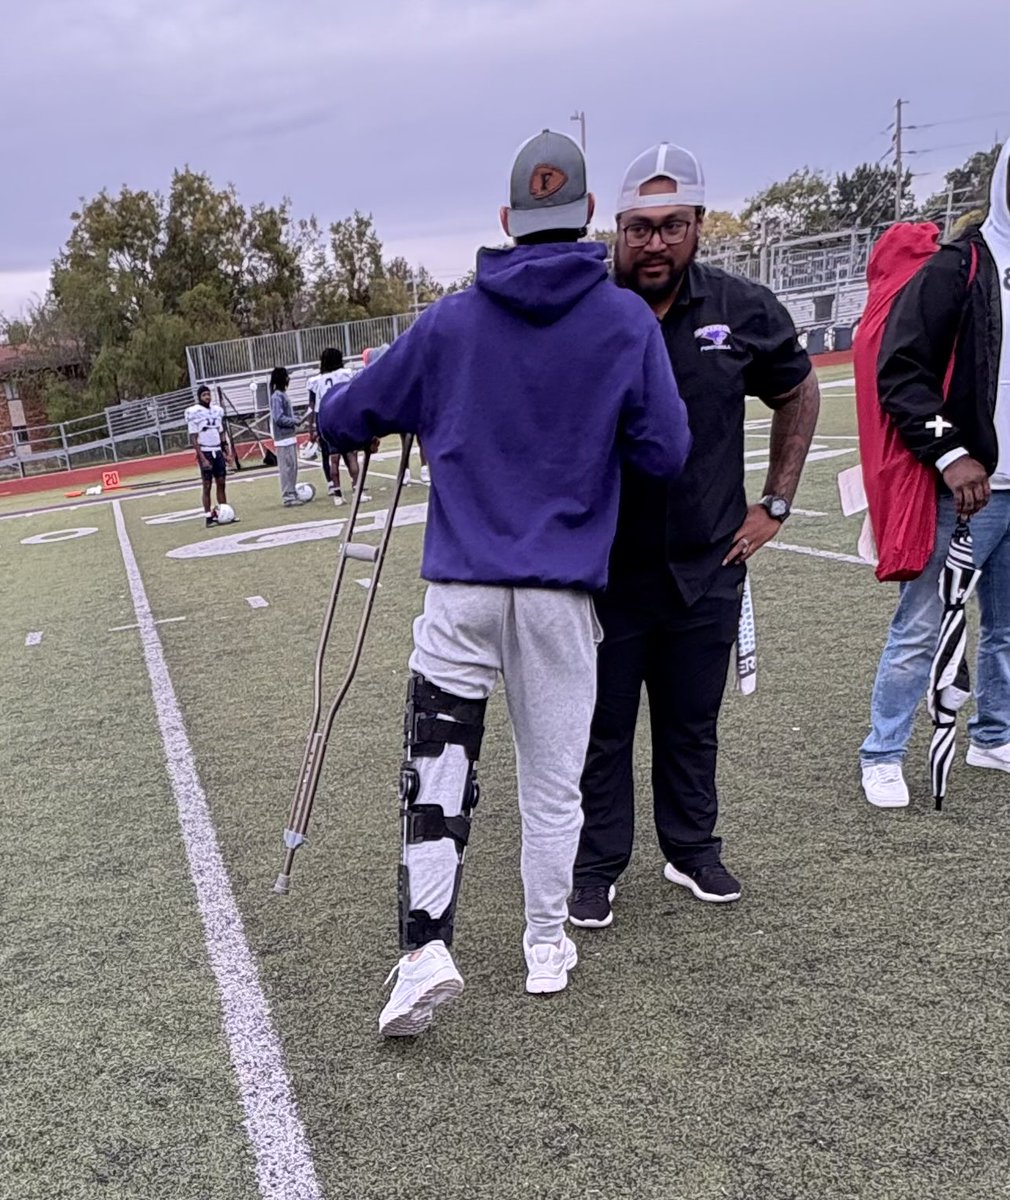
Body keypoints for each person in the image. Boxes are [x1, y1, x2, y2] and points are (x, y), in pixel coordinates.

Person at [320, 129, 690, 1036]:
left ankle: (425, 951)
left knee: (438, 771)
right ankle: (542, 947)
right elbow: (666, 452)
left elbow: (347, 412)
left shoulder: (449, 322)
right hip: (562, 597)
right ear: (590, 219)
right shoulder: (624, 322)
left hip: (463, 589)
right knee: (554, 781)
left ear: (505, 221)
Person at [569, 143, 820, 929]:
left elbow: (798, 391)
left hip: (706, 561)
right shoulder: (581, 305)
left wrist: (774, 504)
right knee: (599, 730)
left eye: (672, 225)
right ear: (616, 228)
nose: (654, 242)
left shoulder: (740, 309)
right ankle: (597, 863)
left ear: (699, 226)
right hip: (601, 569)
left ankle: (690, 847)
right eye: (639, 227)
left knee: (689, 720)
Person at [859, 140, 1010, 806]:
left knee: (1006, 626)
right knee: (920, 624)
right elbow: (902, 372)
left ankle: (993, 734)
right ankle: (882, 752)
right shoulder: (960, 267)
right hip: (967, 494)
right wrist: (951, 452)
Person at [306, 348, 367, 506]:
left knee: (333, 458)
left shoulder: (316, 381)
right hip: (343, 415)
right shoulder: (345, 373)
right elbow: (354, 394)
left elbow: (312, 407)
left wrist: (311, 428)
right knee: (351, 454)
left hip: (325, 419)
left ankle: (337, 495)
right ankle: (357, 490)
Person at [185, 384, 232, 527]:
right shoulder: (195, 412)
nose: (207, 397)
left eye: (208, 394)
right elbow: (193, 437)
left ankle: (224, 512)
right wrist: (202, 457)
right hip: (205, 451)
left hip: (217, 450)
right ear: (199, 397)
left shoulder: (216, 411)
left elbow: (222, 433)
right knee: (207, 485)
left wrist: (227, 452)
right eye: (204, 395)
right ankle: (208, 517)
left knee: (221, 482)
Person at [269, 366, 303, 506]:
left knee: (293, 467)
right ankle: (288, 496)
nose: (288, 378)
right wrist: (294, 421)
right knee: (287, 467)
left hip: (289, 436)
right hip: (283, 438)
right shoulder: (277, 396)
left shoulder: (283, 395)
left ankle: (292, 492)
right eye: (286, 376)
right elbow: (278, 418)